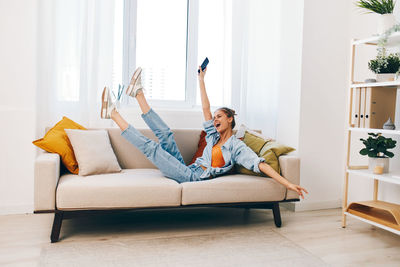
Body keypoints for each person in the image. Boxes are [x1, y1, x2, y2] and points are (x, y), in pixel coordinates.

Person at [100, 66, 308, 199]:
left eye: (220, 116)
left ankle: (113, 114)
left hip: (192, 177)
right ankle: (138, 94)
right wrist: (201, 80)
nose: (215, 119)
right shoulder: (212, 137)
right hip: (187, 168)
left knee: (153, 149)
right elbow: (206, 109)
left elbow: (260, 164)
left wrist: (288, 183)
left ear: (230, 120)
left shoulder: (236, 147)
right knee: (166, 135)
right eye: (215, 117)